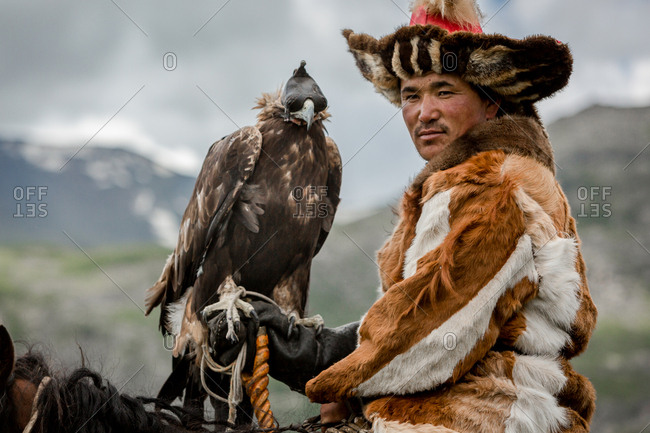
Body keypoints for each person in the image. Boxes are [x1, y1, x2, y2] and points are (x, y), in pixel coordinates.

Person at [229, 1, 598, 431]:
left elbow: (436, 329)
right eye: (411, 95)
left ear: (491, 103)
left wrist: (319, 361)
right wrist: (334, 352)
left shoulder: (498, 186)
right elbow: (420, 316)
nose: (425, 112)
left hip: (491, 413)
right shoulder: (456, 184)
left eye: (444, 90)